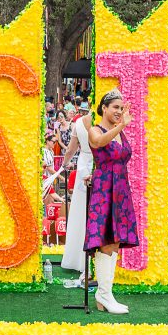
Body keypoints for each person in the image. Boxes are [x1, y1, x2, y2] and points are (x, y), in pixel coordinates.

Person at [85, 89, 139, 315]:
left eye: (121, 107)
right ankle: (103, 294)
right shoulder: (95, 129)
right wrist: (121, 126)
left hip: (120, 188)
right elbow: (97, 143)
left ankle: (106, 293)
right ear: (104, 108)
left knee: (115, 240)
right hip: (105, 188)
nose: (118, 111)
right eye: (114, 107)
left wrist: (120, 128)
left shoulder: (119, 132)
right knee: (106, 239)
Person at [60, 111, 93, 276]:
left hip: (83, 165)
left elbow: (71, 149)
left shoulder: (79, 122)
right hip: (98, 165)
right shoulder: (105, 120)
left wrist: (65, 164)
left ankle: (76, 257)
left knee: (81, 210)